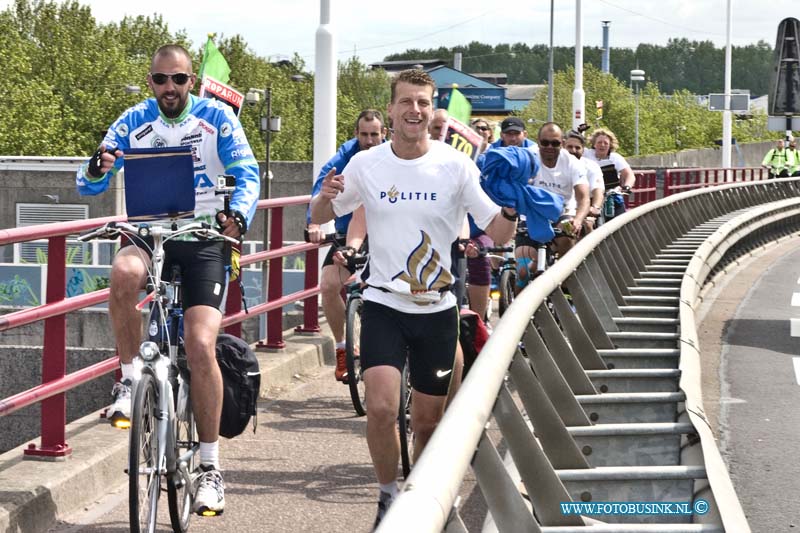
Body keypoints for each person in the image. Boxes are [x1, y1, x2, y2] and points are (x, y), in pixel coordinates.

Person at [309, 69, 517, 528]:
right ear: (391, 109)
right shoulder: (367, 164)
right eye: (406, 102)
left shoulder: (455, 165)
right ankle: (387, 494)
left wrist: (511, 211)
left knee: (427, 424)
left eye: (423, 103)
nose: (415, 111)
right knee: (381, 407)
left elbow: (495, 228)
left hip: (437, 309)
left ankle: (422, 500)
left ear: (432, 109)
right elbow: (324, 215)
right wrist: (324, 199)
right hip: (384, 302)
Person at [75, 44, 260, 516]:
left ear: (191, 79)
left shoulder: (217, 119)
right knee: (122, 272)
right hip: (149, 233)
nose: (169, 89)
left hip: (202, 239)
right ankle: (128, 379)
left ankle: (210, 465)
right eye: (160, 80)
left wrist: (236, 215)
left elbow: (247, 172)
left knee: (199, 346)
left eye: (178, 80)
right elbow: (89, 179)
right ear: (151, 81)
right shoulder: (134, 118)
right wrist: (98, 166)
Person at [306, 109, 387, 382]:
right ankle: (344, 348)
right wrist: (314, 224)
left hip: (383, 234)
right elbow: (321, 190)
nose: (369, 140)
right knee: (328, 285)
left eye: (374, 134)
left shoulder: (393, 156)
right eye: (363, 134)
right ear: (356, 134)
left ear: (383, 134)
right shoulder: (344, 158)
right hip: (347, 235)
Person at [514, 122, 589, 287]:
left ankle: (565, 284)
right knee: (523, 270)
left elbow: (583, 197)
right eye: (544, 143)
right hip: (532, 211)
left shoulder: (572, 163)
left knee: (567, 237)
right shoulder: (527, 157)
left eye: (555, 143)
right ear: (538, 142)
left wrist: (577, 220)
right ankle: (519, 309)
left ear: (562, 143)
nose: (549, 147)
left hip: (562, 211)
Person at [584, 128, 635, 221]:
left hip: (610, 195)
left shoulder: (615, 158)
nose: (602, 145)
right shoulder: (586, 154)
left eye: (605, 143)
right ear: (594, 144)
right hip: (591, 194)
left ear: (610, 145)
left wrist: (627, 186)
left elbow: (629, 174)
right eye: (599, 142)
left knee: (619, 220)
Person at [563, 129, 604, 234]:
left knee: (587, 225)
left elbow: (598, 190)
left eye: (577, 148)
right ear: (562, 146)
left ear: (583, 150)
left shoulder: (591, 166)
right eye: (569, 147)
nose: (573, 150)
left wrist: (595, 207)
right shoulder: (554, 164)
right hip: (560, 209)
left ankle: (590, 250)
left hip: (583, 209)